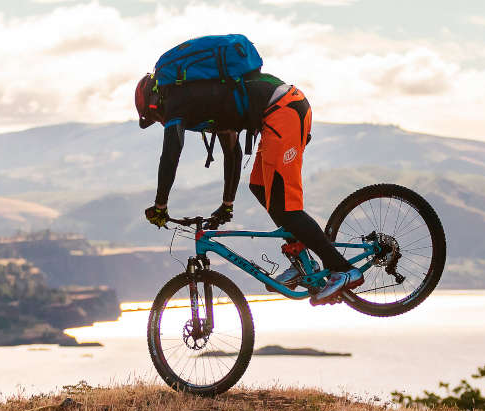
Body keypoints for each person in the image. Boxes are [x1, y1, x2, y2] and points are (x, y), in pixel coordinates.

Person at [135, 54, 363, 305]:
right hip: (278, 113)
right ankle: (300, 258)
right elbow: (231, 152)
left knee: (287, 208)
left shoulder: (178, 102)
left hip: (284, 110)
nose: (159, 122)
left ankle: (342, 270)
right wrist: (227, 203)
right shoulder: (205, 99)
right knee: (259, 187)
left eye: (154, 117)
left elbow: (170, 154)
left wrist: (160, 206)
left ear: (155, 102)